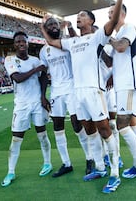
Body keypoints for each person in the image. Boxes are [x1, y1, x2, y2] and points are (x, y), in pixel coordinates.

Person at [40, 0, 123, 193]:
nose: (78, 18)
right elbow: (51, 41)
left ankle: (114, 174)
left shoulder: (97, 38)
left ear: (91, 21)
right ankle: (100, 169)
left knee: (104, 130)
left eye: (82, 16)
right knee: (90, 132)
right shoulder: (72, 41)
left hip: (94, 91)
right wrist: (43, 26)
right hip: (78, 94)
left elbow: (112, 22)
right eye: (77, 16)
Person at [39, 17, 94, 177]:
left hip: (72, 89)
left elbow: (79, 41)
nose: (53, 27)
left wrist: (70, 27)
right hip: (56, 91)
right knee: (57, 127)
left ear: (59, 27)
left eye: (55, 24)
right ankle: (66, 163)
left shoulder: (69, 43)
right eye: (50, 25)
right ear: (46, 29)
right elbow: (44, 74)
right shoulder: (44, 51)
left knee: (77, 125)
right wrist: (43, 96)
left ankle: (89, 158)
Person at [1, 31, 52, 187]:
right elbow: (18, 78)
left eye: (23, 41)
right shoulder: (10, 60)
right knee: (16, 138)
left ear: (28, 43)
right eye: (18, 42)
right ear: (14, 45)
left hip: (37, 102)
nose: (21, 44)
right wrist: (35, 70)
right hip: (22, 104)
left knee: (42, 134)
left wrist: (43, 96)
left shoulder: (35, 60)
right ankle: (11, 171)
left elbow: (44, 78)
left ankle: (47, 163)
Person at [107, 3, 136, 179]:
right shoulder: (117, 34)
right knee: (132, 124)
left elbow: (121, 47)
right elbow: (110, 60)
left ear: (121, 14)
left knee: (121, 125)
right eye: (109, 13)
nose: (110, 16)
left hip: (129, 85)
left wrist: (106, 37)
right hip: (124, 86)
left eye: (112, 12)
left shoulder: (128, 28)